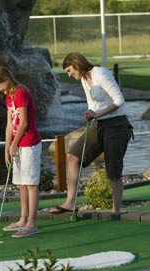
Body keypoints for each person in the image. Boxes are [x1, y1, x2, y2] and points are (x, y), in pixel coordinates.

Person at [49, 52, 133, 214]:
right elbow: (93, 104)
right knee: (72, 157)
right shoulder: (83, 79)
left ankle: (116, 210)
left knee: (113, 170)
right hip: (99, 124)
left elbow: (119, 100)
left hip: (117, 125)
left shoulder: (100, 74)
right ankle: (70, 203)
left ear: (76, 64)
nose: (69, 74)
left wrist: (97, 114)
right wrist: (91, 112)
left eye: (69, 70)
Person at [0, 66, 42, 238]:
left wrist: (15, 144)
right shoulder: (9, 98)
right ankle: (23, 218)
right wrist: (7, 147)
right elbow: (10, 125)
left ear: (6, 78)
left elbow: (24, 123)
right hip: (18, 145)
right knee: (21, 183)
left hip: (29, 143)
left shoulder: (21, 92)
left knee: (31, 183)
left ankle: (32, 223)